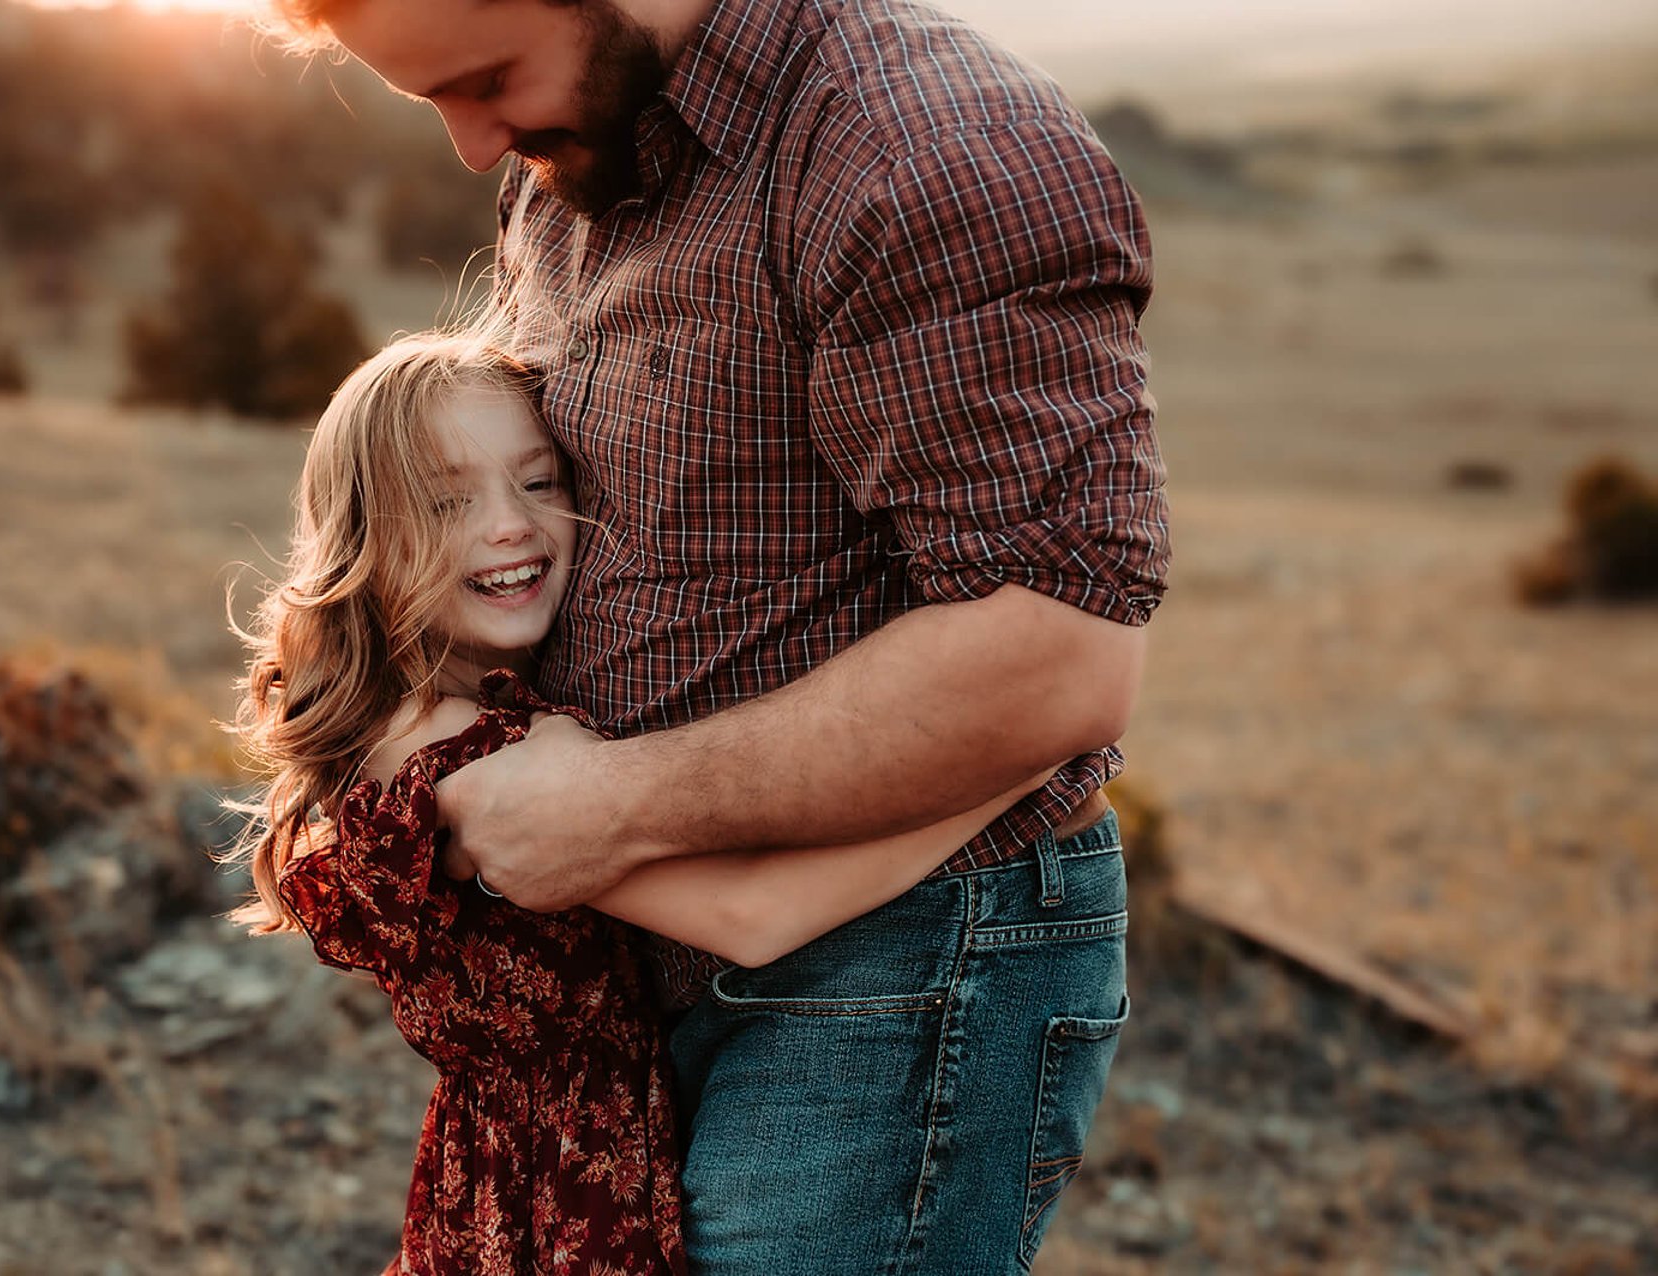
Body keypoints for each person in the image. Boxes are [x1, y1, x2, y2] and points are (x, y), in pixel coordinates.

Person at [259, 0, 1169, 1270]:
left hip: (901, 945)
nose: (471, 147)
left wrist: (614, 803)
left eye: (485, 78)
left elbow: (1061, 650)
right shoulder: (573, 150)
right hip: (649, 979)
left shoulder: (923, 152)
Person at [228, 327, 1063, 1274]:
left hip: (498, 1182)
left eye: (539, 481)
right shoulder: (473, 761)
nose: (509, 524)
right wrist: (1010, 767)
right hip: (562, 1202)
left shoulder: (418, 711)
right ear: (364, 539)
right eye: (448, 500)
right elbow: (751, 916)